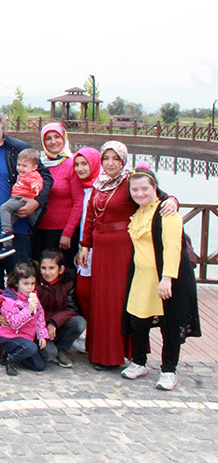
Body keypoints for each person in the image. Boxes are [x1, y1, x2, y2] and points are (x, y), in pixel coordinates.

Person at [78, 142, 177, 369]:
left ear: (123, 160)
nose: (110, 163)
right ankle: (101, 353)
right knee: (101, 299)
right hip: (100, 248)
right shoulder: (100, 183)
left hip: (122, 247)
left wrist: (173, 200)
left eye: (115, 158)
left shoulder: (130, 181)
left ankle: (121, 353)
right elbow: (91, 215)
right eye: (106, 158)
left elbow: (156, 196)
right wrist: (85, 245)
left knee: (117, 298)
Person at [0, 104, 53, 348]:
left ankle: (24, 330)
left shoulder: (18, 149)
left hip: (18, 230)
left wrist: (36, 202)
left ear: (2, 122)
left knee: (22, 281)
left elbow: (46, 177)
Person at [120, 166, 200, 390]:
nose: (139, 193)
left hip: (165, 277)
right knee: (138, 321)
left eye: (144, 188)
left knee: (170, 324)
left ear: (154, 187)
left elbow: (173, 248)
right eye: (135, 189)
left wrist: (167, 278)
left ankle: (168, 370)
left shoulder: (166, 212)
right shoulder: (138, 212)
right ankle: (139, 362)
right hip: (141, 278)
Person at [32, 123, 83, 262]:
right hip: (39, 229)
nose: (53, 142)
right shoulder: (39, 166)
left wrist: (68, 232)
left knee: (63, 271)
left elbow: (79, 202)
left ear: (64, 138)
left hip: (63, 233)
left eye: (57, 137)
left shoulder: (72, 165)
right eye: (48, 138)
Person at [0, 262, 48, 376]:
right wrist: (28, 310)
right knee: (31, 347)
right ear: (16, 283)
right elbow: (14, 323)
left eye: (32, 284)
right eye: (26, 284)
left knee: (39, 366)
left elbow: (40, 316)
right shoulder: (9, 301)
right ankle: (10, 360)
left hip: (26, 337)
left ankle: (16, 355)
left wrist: (42, 335)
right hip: (9, 337)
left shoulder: (33, 297)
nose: (30, 288)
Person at [0, 148, 44, 259]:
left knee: (4, 208)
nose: (20, 168)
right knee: (9, 221)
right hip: (15, 198)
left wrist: (35, 187)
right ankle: (7, 246)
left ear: (34, 167)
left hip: (21, 199)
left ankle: (6, 232)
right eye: (19, 165)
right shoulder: (22, 175)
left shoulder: (32, 175)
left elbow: (37, 182)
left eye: (24, 166)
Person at [36, 249, 85, 368]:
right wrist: (44, 326)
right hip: (39, 328)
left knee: (79, 322)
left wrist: (54, 322)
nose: (47, 272)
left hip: (58, 325)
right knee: (49, 354)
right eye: (43, 268)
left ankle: (62, 349)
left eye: (52, 268)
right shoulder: (35, 283)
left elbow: (72, 308)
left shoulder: (68, 283)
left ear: (61, 269)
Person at [71, 147, 101, 318]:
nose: (80, 168)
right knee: (83, 291)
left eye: (85, 164)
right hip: (84, 248)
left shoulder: (102, 187)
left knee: (93, 291)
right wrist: (81, 247)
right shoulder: (82, 188)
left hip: (99, 249)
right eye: (77, 164)